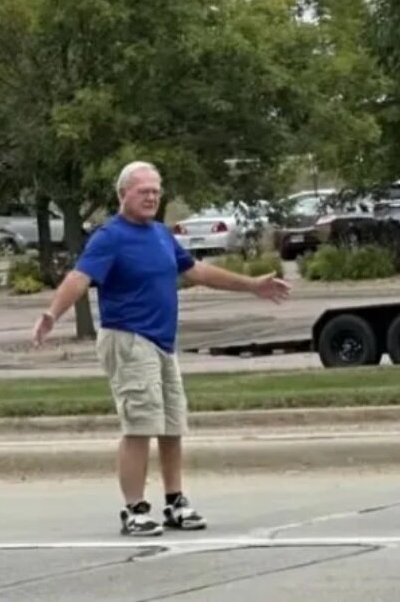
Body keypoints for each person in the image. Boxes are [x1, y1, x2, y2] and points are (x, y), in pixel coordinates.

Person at [32, 161, 291, 536]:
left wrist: (251, 285)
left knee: (171, 425)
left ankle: (175, 502)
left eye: (156, 190)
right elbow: (79, 277)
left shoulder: (160, 234)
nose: (152, 196)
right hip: (128, 339)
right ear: (123, 195)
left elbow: (197, 271)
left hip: (161, 341)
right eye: (143, 191)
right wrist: (52, 314)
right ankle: (134, 509)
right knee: (139, 424)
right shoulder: (110, 236)